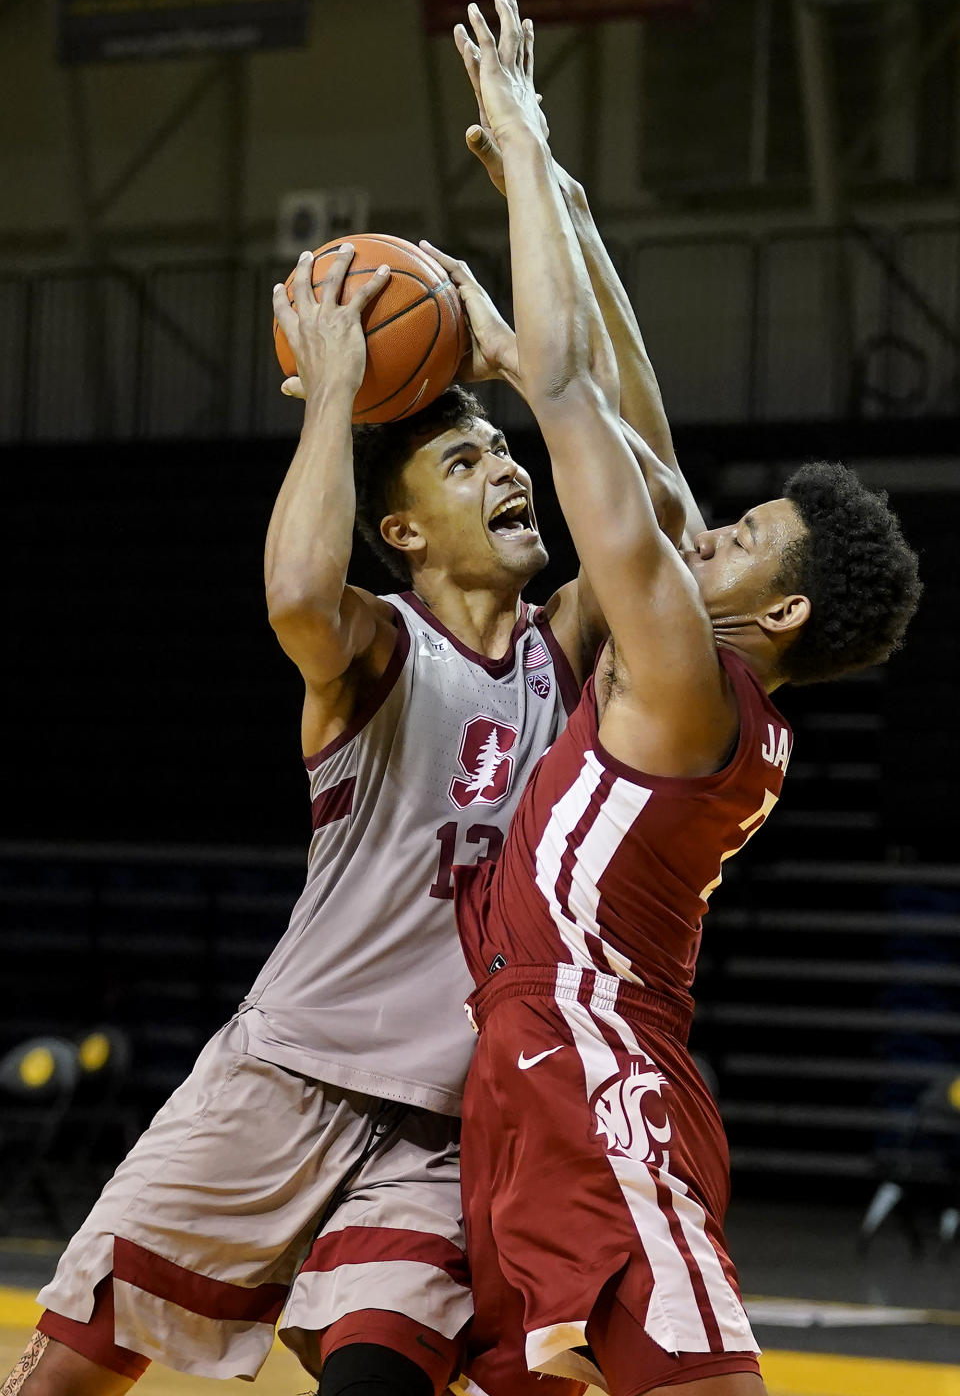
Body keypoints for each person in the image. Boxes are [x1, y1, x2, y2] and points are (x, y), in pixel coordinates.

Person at [7, 97, 694, 1396]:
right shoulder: (381, 652)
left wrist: (527, 321)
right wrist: (333, 396)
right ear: (407, 536)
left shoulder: (562, 649)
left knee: (381, 1381)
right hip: (280, 1085)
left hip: (439, 1131)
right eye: (469, 463)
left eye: (507, 454)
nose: (511, 472)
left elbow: (653, 500)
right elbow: (291, 601)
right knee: (61, 1386)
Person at [448, 0, 922, 1396]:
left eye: (741, 540)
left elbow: (582, 403)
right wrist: (577, 212)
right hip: (537, 1051)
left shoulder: (678, 671)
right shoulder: (699, 664)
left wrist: (529, 150)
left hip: (596, 1065)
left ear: (777, 613)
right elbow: (649, 462)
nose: (705, 529)